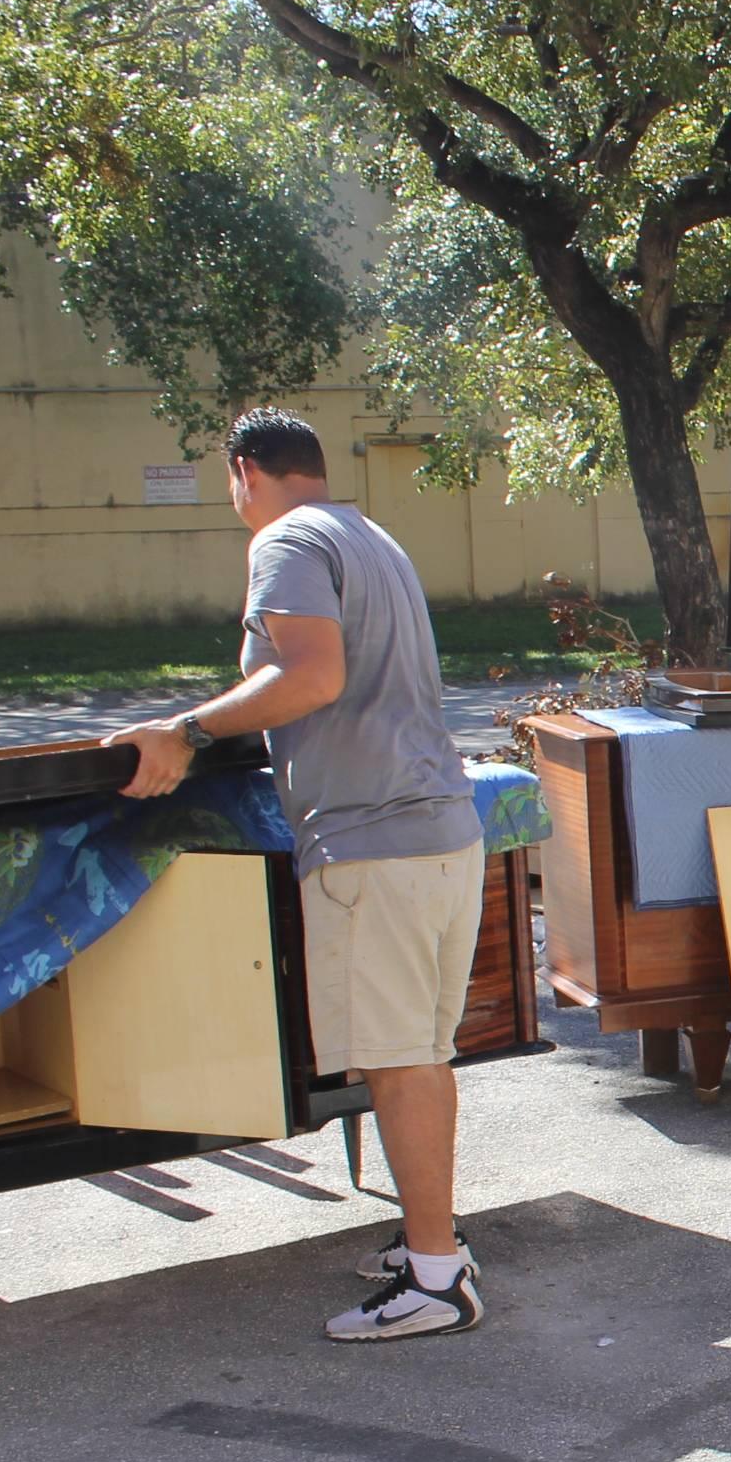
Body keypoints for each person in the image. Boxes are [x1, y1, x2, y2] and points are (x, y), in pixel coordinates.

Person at [107, 409, 489, 1342]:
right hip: (441, 830)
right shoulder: (371, 536)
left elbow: (312, 675)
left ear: (245, 471)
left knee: (399, 1064)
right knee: (420, 1059)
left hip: (372, 844)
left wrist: (188, 731)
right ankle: (434, 1244)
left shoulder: (284, 541)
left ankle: (437, 1280)